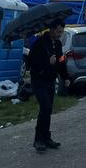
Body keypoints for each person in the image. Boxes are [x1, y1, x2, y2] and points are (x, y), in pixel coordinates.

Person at [27, 20, 64, 152]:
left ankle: (47, 138)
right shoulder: (40, 43)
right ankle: (38, 139)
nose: (60, 34)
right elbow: (30, 61)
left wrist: (65, 78)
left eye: (62, 32)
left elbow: (60, 62)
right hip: (39, 80)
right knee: (45, 106)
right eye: (58, 31)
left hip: (50, 80)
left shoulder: (58, 44)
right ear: (52, 30)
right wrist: (46, 62)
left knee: (48, 109)